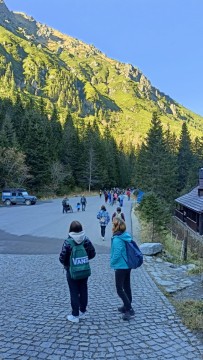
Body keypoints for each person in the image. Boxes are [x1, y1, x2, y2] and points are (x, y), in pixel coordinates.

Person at [59, 221, 96, 323]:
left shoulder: (68, 242)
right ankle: (83, 310)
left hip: (72, 271)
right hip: (84, 269)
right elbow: (93, 253)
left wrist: (69, 264)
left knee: (74, 291)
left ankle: (75, 315)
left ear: (70, 230)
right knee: (84, 289)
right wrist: (84, 259)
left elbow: (62, 258)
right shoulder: (86, 240)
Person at [110, 217, 135, 321]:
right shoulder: (125, 236)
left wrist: (112, 263)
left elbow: (117, 254)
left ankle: (129, 309)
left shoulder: (117, 239)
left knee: (119, 289)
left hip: (121, 266)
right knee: (126, 286)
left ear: (116, 227)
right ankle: (126, 305)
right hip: (127, 265)